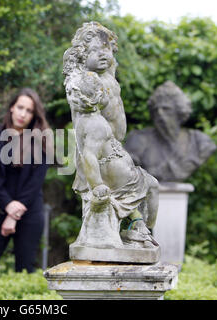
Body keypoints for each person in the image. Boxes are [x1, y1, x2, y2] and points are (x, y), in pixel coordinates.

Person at [63, 22, 159, 249]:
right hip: (101, 155)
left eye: (106, 49)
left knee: (147, 188)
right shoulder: (86, 82)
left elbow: (108, 55)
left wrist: (105, 42)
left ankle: (137, 227)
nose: (103, 55)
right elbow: (76, 90)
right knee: (147, 187)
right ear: (82, 56)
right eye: (95, 51)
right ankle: (138, 227)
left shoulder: (108, 74)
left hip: (115, 149)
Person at [0, 88, 51, 279]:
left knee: (24, 275)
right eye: (20, 107)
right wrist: (7, 206)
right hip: (0, 210)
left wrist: (14, 215)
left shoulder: (41, 140)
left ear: (34, 115)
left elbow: (35, 183)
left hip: (29, 213)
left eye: (29, 110)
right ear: (11, 108)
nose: (23, 114)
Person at [124, 81, 217, 182]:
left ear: (180, 112)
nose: (160, 114)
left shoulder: (200, 142)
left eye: (166, 109)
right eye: (156, 110)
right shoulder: (139, 140)